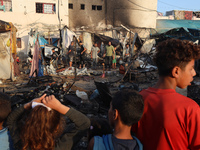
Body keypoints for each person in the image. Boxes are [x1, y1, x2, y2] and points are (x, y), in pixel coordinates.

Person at [132, 38, 200, 150]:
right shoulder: (190, 109)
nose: (194, 73)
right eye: (191, 68)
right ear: (176, 71)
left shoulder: (139, 99)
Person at [7, 94, 90, 150]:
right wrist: (59, 107)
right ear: (57, 127)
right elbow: (84, 123)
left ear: (29, 124)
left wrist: (29, 104)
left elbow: (11, 120)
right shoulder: (61, 147)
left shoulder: (20, 144)